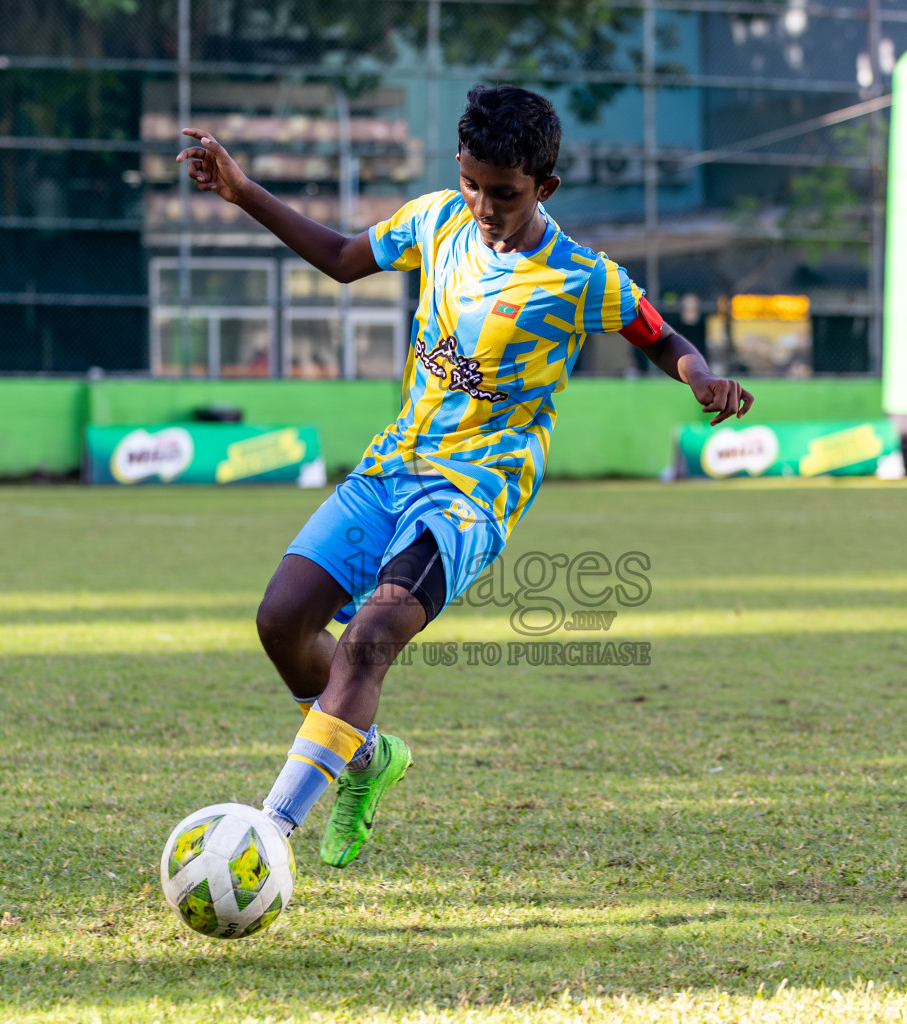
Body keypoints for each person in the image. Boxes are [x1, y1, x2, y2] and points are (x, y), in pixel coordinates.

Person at [176, 85, 753, 870]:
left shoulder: (583, 277)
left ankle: (271, 833)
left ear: (544, 188)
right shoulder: (437, 220)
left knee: (369, 640)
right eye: (473, 182)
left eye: (505, 193)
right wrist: (243, 192)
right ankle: (367, 754)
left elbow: (661, 335)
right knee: (280, 622)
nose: (484, 204)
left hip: (472, 495)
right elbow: (346, 260)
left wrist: (700, 376)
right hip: (391, 470)